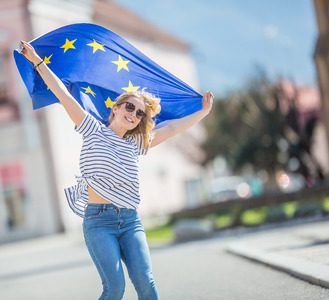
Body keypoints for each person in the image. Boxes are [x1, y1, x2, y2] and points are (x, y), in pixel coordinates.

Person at [19, 40, 213, 299]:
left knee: (146, 282)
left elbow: (173, 128)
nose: (133, 114)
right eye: (129, 107)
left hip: (131, 221)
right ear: (116, 108)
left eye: (140, 113)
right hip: (99, 222)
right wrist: (37, 62)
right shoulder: (91, 128)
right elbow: (64, 95)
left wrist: (204, 111)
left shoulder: (137, 143)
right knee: (115, 288)